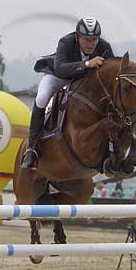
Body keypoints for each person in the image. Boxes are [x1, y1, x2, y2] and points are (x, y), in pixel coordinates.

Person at [21, 17, 116, 169]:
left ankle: (110, 152)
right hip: (58, 77)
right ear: (78, 37)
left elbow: (111, 72)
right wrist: (87, 64)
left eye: (94, 39)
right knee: (42, 98)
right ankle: (31, 149)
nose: (91, 44)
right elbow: (60, 69)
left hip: (83, 82)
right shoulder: (65, 42)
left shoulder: (105, 47)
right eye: (87, 39)